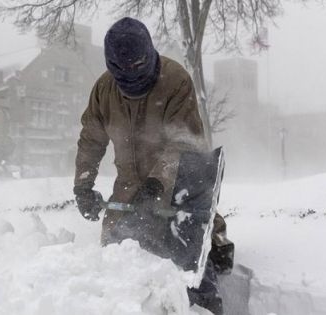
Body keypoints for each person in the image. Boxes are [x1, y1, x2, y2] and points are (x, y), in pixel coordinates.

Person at [73, 17, 228, 314]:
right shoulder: (104, 90)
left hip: (176, 189)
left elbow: (185, 143)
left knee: (190, 262)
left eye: (137, 66)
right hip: (128, 193)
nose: (131, 74)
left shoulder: (175, 81)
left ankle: (203, 297)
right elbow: (91, 140)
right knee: (119, 259)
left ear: (149, 53)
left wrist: (157, 184)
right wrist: (83, 186)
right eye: (123, 70)